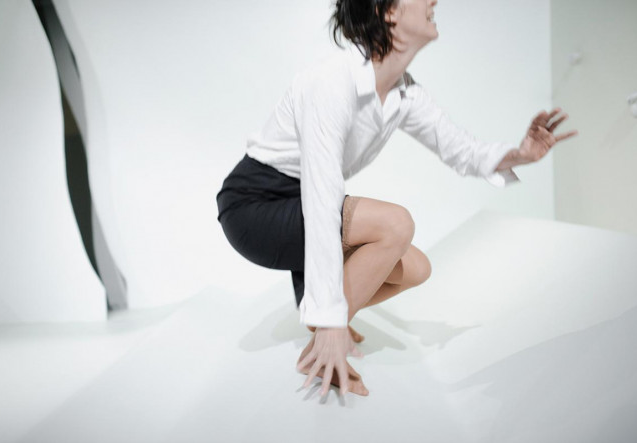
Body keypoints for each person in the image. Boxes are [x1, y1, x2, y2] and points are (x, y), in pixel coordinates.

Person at [216, 0, 578, 399]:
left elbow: (463, 151)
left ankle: (321, 322)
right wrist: (333, 321)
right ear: (386, 11)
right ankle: (321, 340)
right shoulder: (330, 81)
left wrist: (520, 155)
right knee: (395, 225)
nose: (433, 2)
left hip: (300, 202)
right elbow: (321, 200)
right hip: (255, 206)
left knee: (416, 268)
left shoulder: (405, 93)